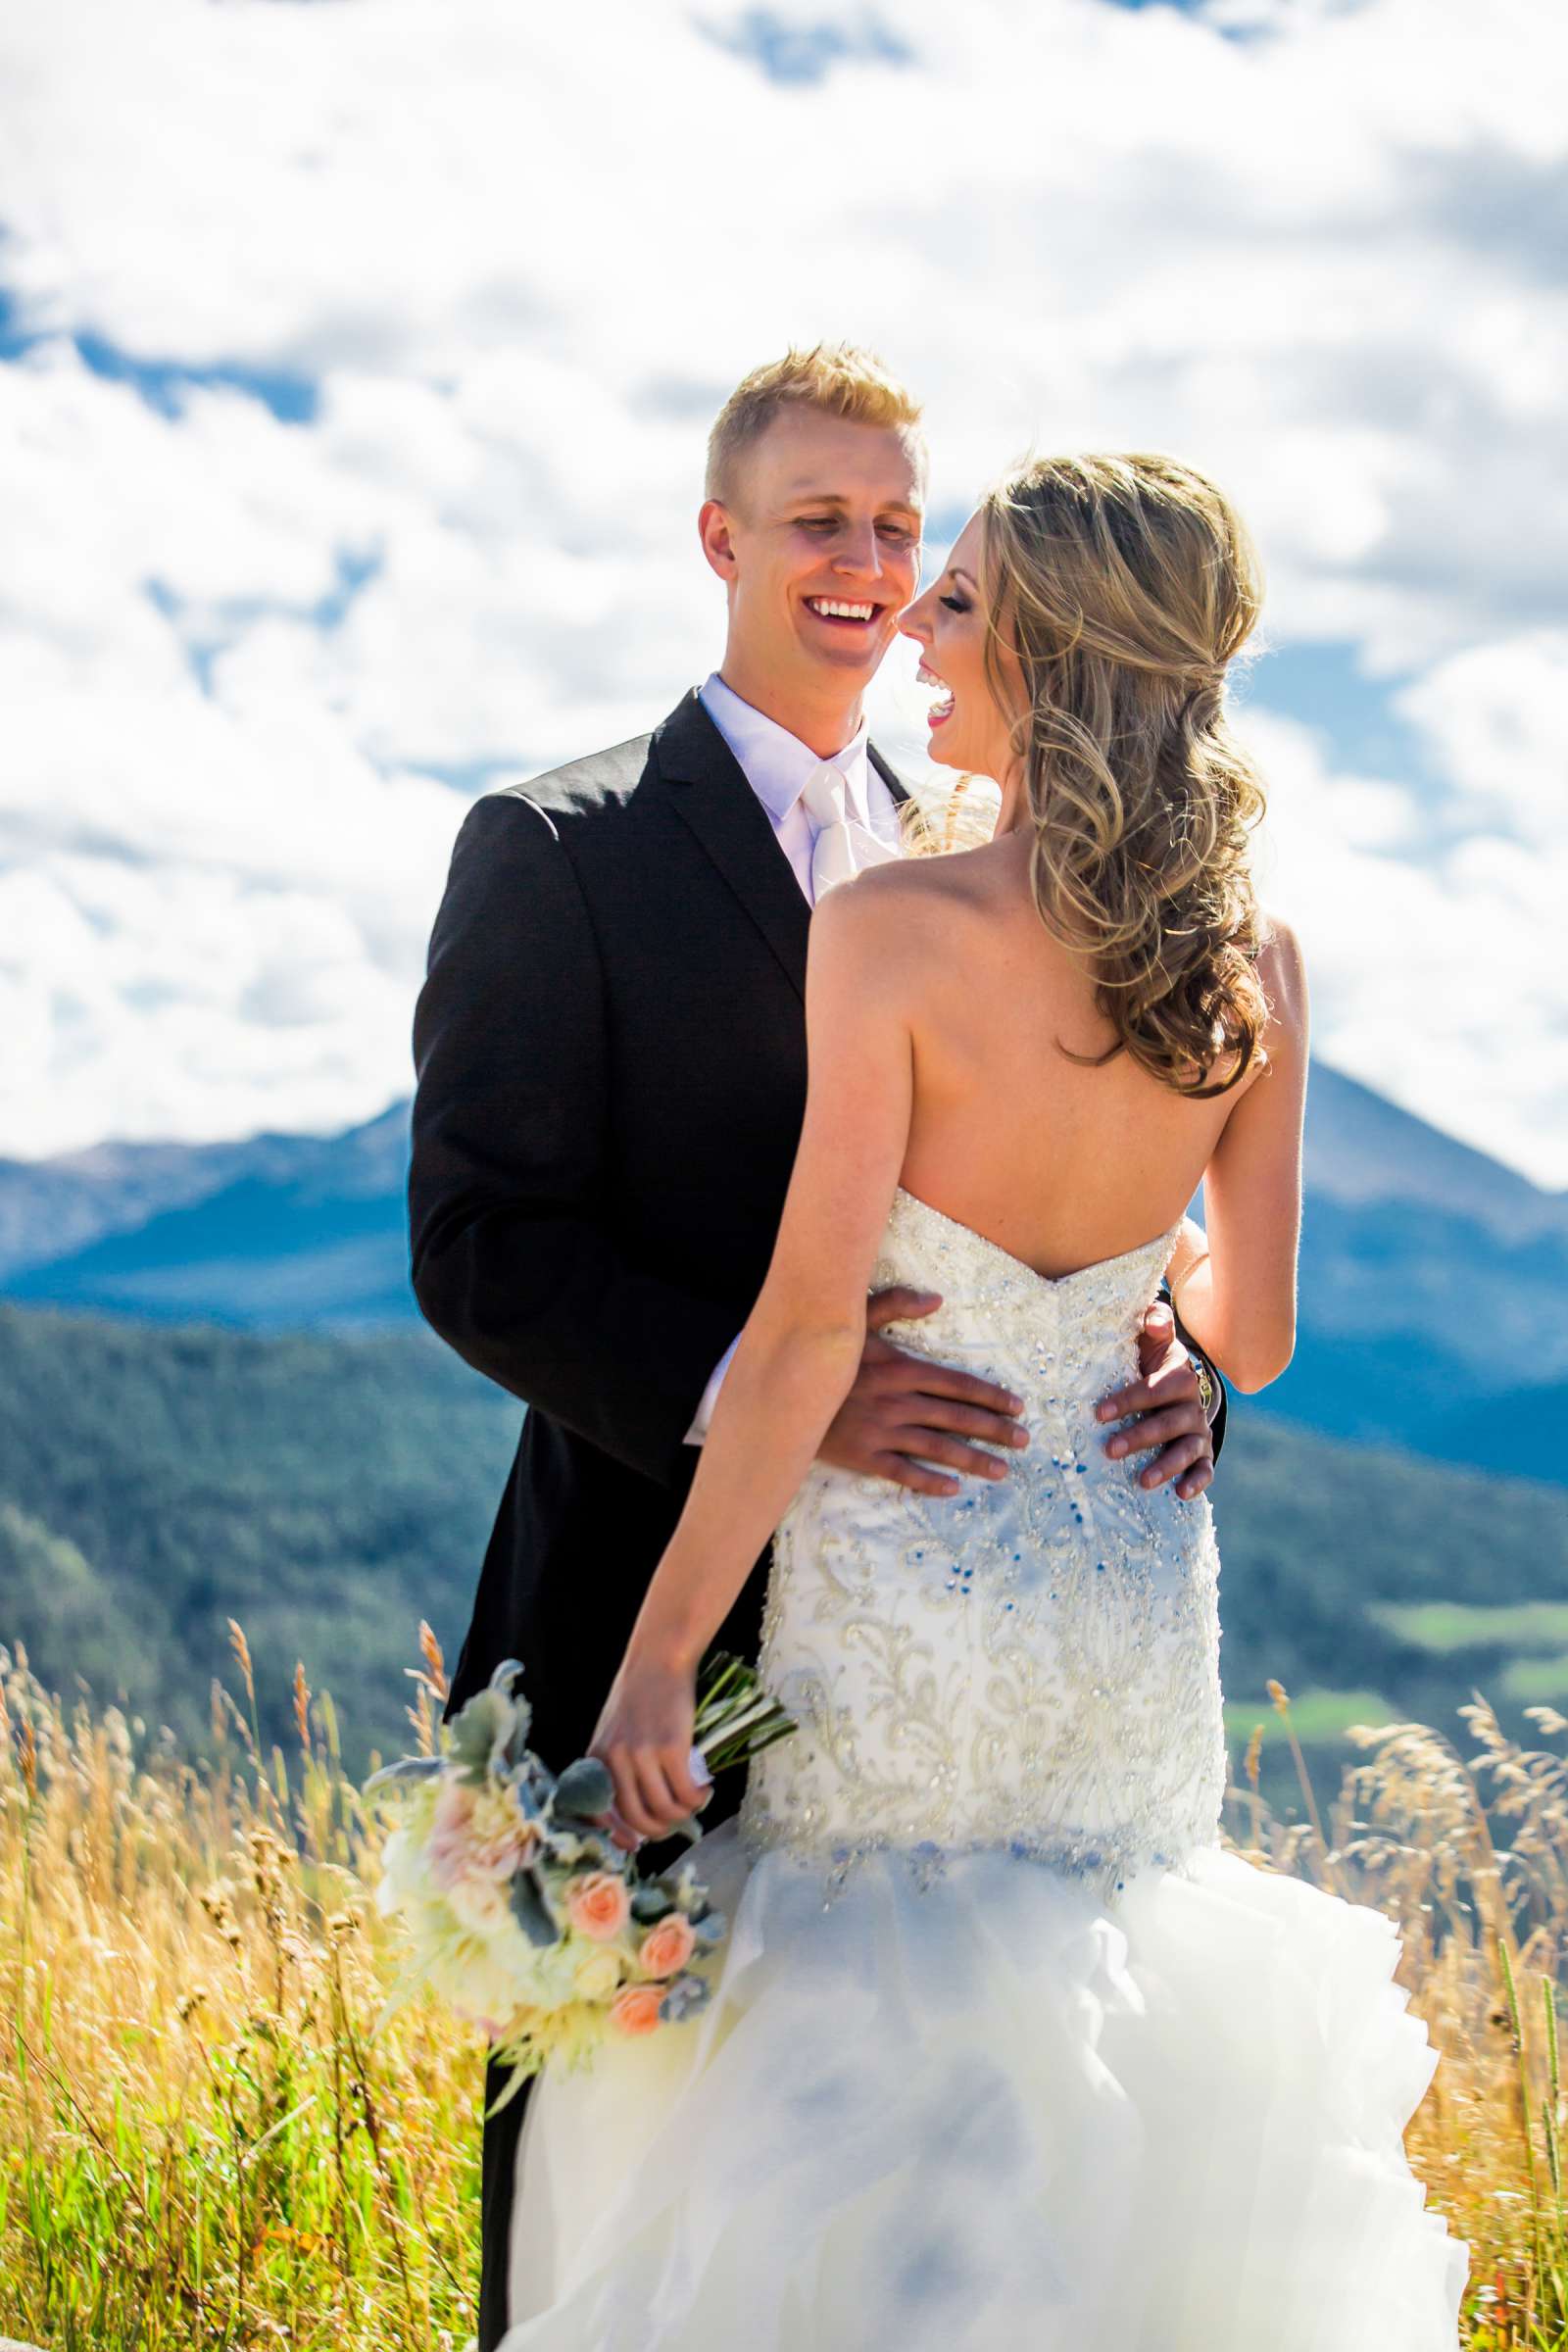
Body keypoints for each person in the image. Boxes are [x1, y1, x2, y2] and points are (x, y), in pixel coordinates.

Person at [497, 453, 1470, 2347]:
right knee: (1113, 2047)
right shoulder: (1248, 962)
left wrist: (653, 1664)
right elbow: (1251, 1336)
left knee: (872, 2054)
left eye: (960, 603)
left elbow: (799, 1347)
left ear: (1056, 642)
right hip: (1119, 1585)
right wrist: (1146, 1322)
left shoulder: (894, 933)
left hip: (916, 1573)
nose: (921, 637)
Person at [408, 347, 1224, 2349]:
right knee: (604, 2194)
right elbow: (477, 1248)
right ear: (720, 540)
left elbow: (1141, 1185)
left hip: (956, 1658)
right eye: (814, 523)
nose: (863, 568)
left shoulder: (1011, 837)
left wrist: (1177, 1342)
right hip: (645, 1598)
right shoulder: (559, 845)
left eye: (895, 529)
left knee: (967, 2213)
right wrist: (757, 1389)